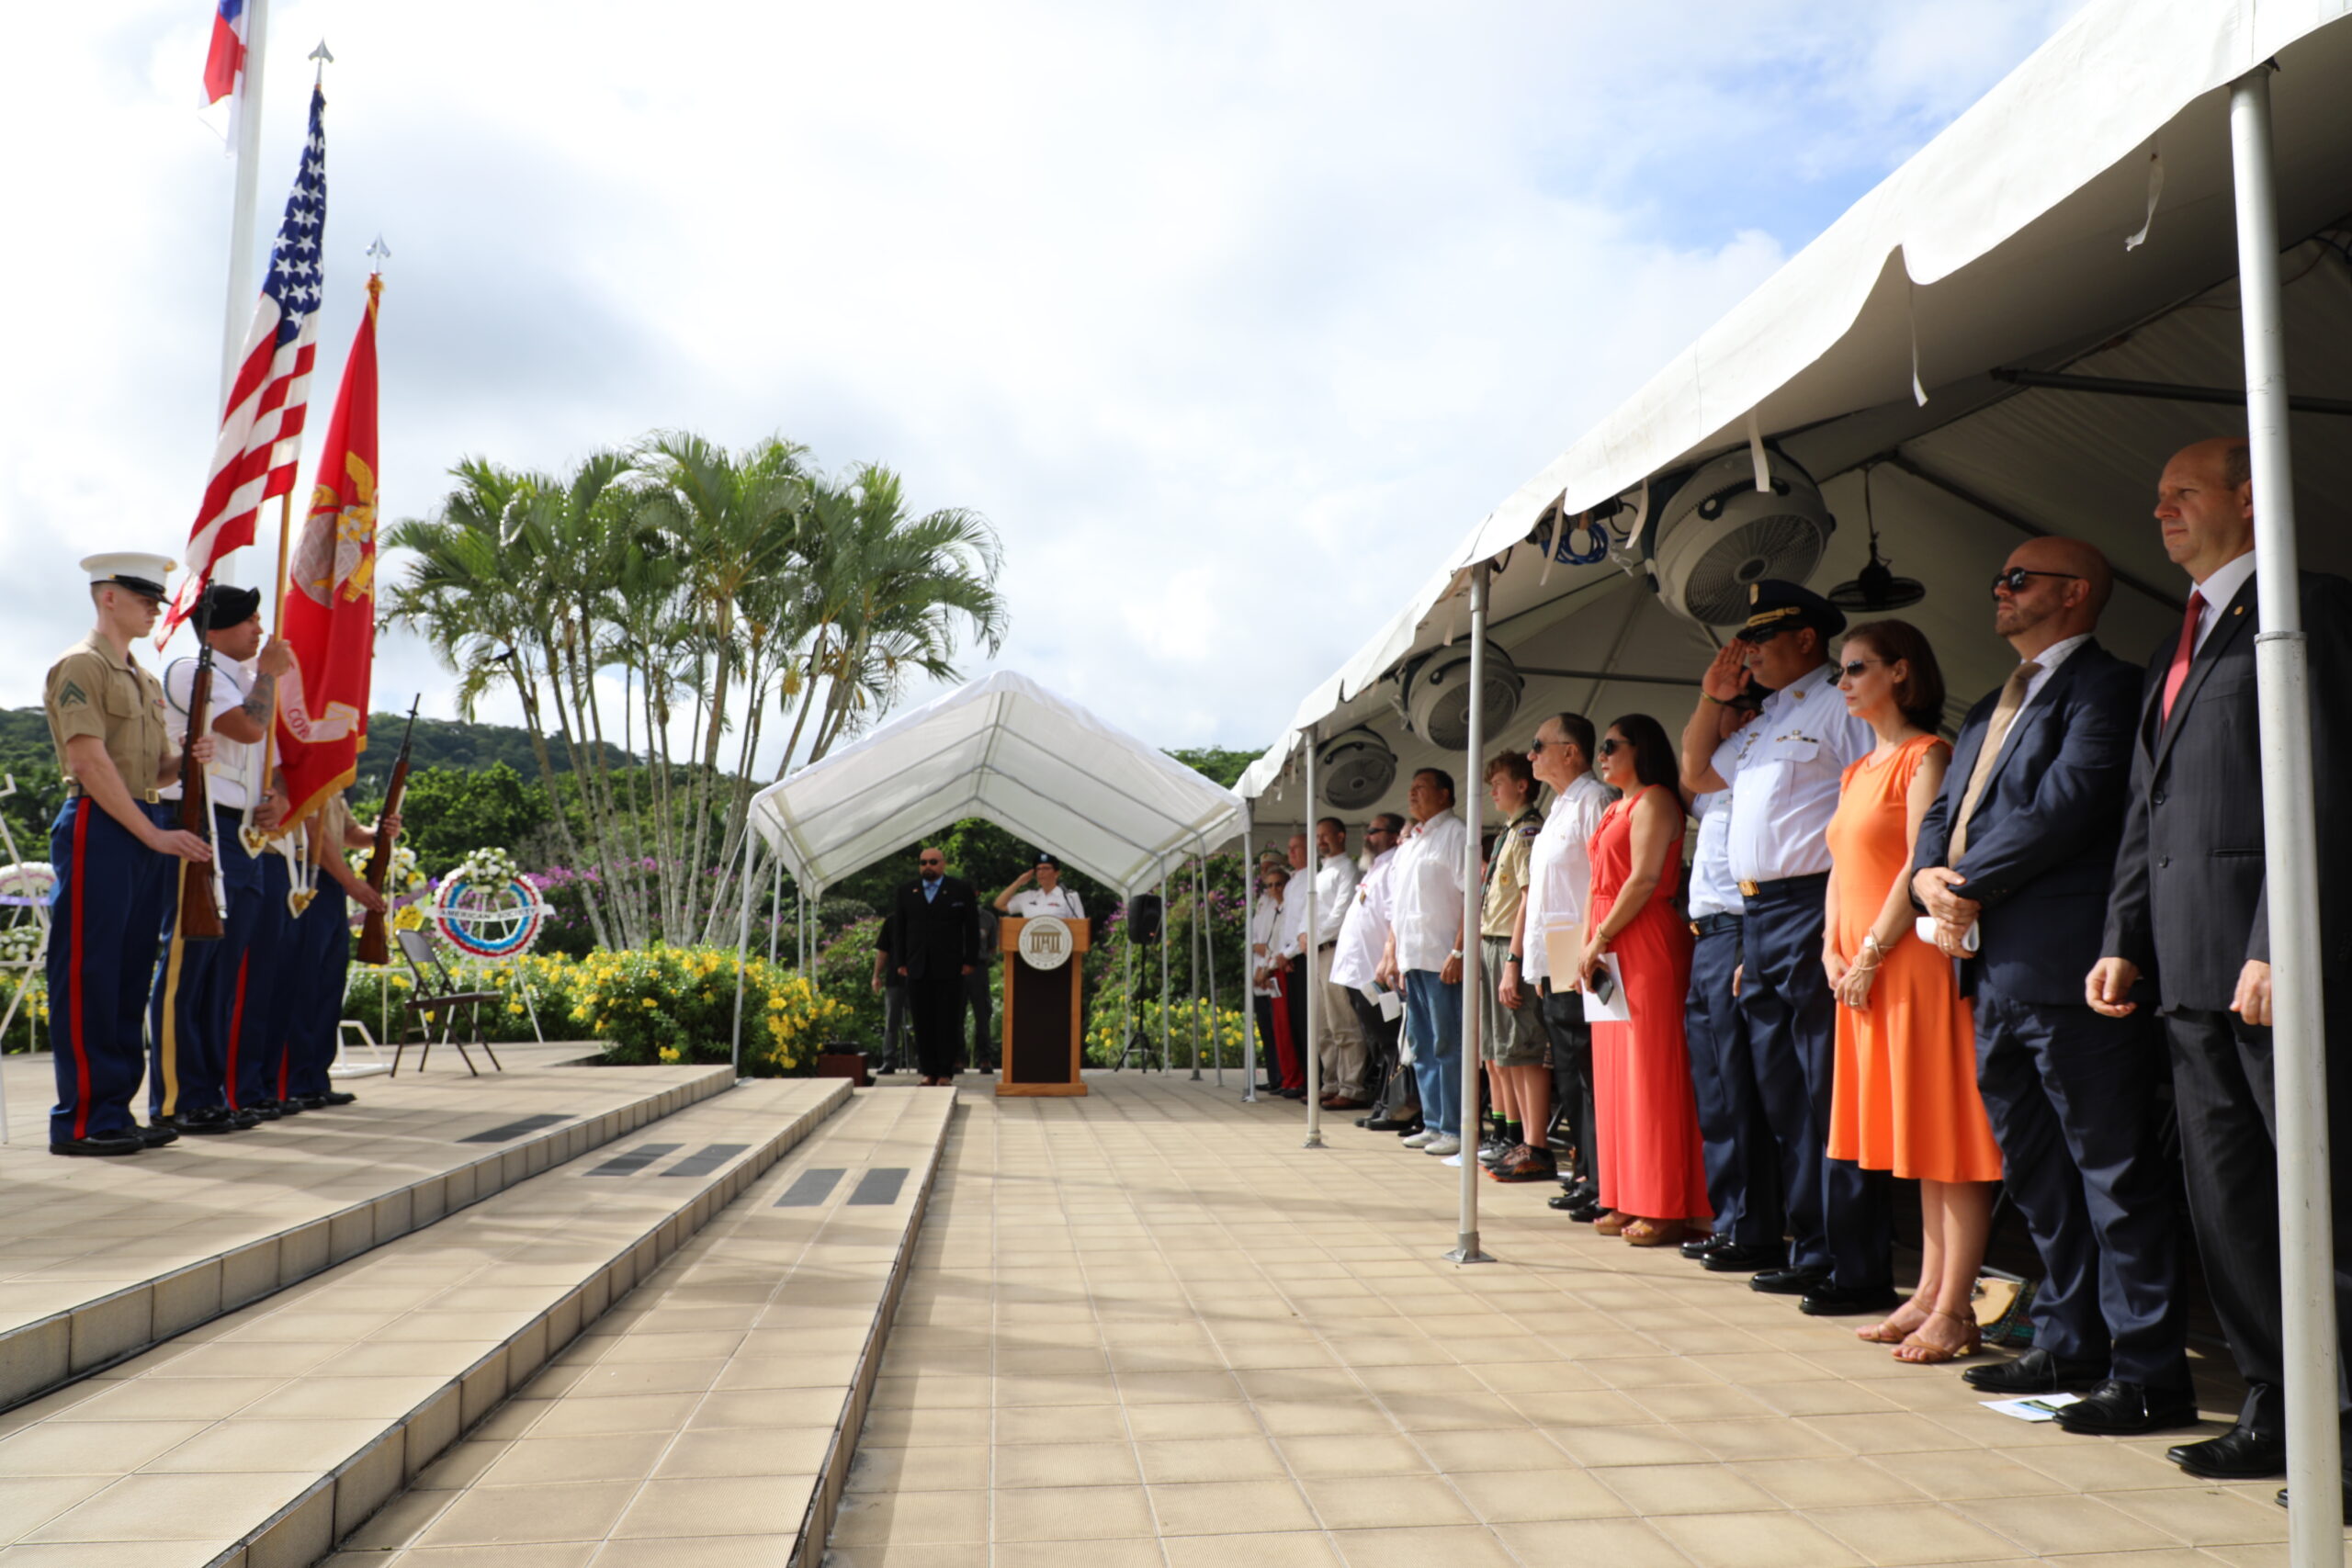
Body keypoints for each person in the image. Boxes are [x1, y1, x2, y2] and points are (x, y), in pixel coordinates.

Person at [2090, 438, 2352, 1488]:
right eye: (2154, 497)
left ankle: (2342, 1426)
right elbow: (2145, 807)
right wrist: (2120, 938)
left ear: (2250, 502)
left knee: (2315, 1202)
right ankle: (2276, 1409)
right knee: (2230, 1208)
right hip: (2187, 977)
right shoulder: (2176, 642)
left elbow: (2325, 785)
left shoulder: (2308, 608)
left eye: (2182, 494)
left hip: (2270, 968)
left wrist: (2278, 940)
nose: (2159, 512)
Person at [1913, 540, 2190, 1419]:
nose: (1998, 588)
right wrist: (1927, 874)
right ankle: (2069, 1340)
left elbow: (2067, 805)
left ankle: (2147, 1370)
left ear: (2074, 594)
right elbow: (1943, 812)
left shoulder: (2107, 686)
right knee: (2035, 1171)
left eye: (2017, 578)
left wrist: (1960, 885)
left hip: (2069, 964)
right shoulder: (1986, 707)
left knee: (2110, 1165)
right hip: (1991, 968)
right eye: (1997, 576)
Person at [1680, 580, 1888, 1315]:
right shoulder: (1767, 721)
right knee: (1783, 1095)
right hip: (1760, 913)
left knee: (1825, 1088)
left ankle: (1855, 1259)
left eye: (1763, 640)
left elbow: (1876, 804)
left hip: (1815, 904)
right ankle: (1813, 1245)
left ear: (1807, 639)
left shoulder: (1841, 707)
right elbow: (1697, 774)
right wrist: (1713, 697)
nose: (1750, 653)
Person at [1821, 620, 2003, 1363]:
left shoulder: (1929, 754)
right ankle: (1928, 1291)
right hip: (1864, 968)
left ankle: (1955, 1305)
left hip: (1912, 962)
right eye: (1841, 669)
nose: (1843, 682)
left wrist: (1867, 949)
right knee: (1917, 1138)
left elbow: (1918, 864)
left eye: (1856, 667)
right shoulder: (1859, 769)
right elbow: (1839, 866)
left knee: (1947, 1134)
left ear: (1900, 672)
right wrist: (1831, 948)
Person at [41, 553, 214, 1156]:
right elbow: (89, 761)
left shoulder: (142, 678)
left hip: (142, 824)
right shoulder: (79, 667)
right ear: (107, 595)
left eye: (156, 598)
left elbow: (151, 769)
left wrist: (186, 755)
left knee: (127, 975)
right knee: (91, 973)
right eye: (142, 595)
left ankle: (114, 1108)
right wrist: (151, 832)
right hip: (102, 824)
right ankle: (82, 1118)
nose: (153, 607)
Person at [147, 582, 292, 1134]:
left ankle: (211, 1091)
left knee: (225, 972)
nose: (260, 630)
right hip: (200, 821)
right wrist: (271, 674)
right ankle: (177, 1097)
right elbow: (248, 727)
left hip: (240, 830)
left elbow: (266, 758)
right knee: (190, 965)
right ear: (217, 629)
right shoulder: (192, 669)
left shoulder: (244, 678)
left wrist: (274, 797)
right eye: (250, 620)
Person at [1577, 716, 1710, 1245]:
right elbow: (1596, 882)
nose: (1602, 754)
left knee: (1651, 1074)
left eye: (1611, 746)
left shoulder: (1655, 800)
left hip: (1644, 938)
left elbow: (1647, 878)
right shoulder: (1613, 806)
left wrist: (1600, 936)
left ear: (1641, 748)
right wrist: (1587, 944)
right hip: (1608, 945)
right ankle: (1625, 1192)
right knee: (1615, 1077)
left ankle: (1666, 1201)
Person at [1683, 687, 1785, 1270]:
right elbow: (1689, 768)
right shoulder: (1718, 787)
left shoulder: (1754, 774)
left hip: (1738, 931)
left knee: (1738, 1087)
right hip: (1705, 937)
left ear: (1746, 719)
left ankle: (1754, 1226)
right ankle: (1731, 1218)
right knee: (1716, 1091)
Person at [1507, 711, 1611, 1216]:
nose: (1531, 755)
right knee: (1568, 1069)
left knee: (1588, 1070)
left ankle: (1600, 1177)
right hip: (1558, 948)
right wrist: (1535, 964)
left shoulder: (1593, 799)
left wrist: (1586, 951)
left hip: (1581, 945)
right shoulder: (1560, 806)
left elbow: (1602, 880)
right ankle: (1584, 1170)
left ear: (1570, 752)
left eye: (1538, 745)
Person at [284, 789, 397, 1109]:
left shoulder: (333, 780)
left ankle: (316, 1078)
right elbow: (309, 828)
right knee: (305, 984)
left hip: (331, 881)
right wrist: (352, 882)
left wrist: (378, 834)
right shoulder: (311, 768)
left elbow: (348, 833)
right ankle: (295, 1080)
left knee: (328, 984)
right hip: (307, 874)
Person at [1381, 770, 1469, 1157]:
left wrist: (1459, 950)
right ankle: (1434, 1122)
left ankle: (1454, 1126)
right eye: (1410, 787)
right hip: (1413, 956)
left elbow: (1471, 896)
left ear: (1445, 794)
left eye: (1421, 788)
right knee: (1421, 1044)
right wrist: (1392, 954)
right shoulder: (1412, 842)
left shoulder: (1456, 833)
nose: (1412, 794)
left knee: (1448, 1042)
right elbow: (1398, 907)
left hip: (1441, 956)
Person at [1475, 751, 1551, 1180]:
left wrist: (1513, 960)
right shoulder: (1508, 831)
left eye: (1499, 782)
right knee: (1499, 1051)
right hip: (1494, 943)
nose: (1493, 791)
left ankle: (1532, 1143)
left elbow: (1527, 897)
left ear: (1522, 785)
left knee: (1522, 1049)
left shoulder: (1527, 831)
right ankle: (1514, 1137)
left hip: (1509, 945)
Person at [878, 846, 980, 1085]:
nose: (928, 867)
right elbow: (900, 930)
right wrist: (901, 961)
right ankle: (928, 1071)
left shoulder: (959, 890)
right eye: (923, 862)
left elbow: (972, 929)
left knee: (947, 1019)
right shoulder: (906, 892)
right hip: (917, 966)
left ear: (943, 864)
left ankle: (945, 1072)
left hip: (951, 965)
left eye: (933, 862)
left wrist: (970, 960)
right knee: (922, 1021)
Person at [1331, 814, 1408, 1126]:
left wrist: (1388, 960)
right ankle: (1383, 1103)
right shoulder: (1374, 867)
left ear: (1392, 836)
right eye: (1367, 829)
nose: (1367, 835)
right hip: (1357, 972)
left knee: (1390, 1042)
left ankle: (1397, 1107)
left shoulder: (1393, 866)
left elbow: (1393, 918)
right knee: (1377, 1044)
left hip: (1376, 972)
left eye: (1374, 831)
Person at [1305, 818, 1366, 1111]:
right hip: (1316, 950)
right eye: (1317, 837)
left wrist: (1313, 935)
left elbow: (1341, 913)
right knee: (1322, 1024)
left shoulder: (1347, 869)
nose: (1320, 841)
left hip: (1334, 949)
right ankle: (1330, 1082)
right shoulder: (1321, 873)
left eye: (1325, 836)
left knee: (1342, 1021)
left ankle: (1352, 1086)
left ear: (1341, 836)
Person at [870, 912, 909, 1074]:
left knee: (923, 1022)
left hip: (921, 979)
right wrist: (876, 976)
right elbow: (882, 951)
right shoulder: (892, 921)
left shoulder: (925, 918)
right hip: (895, 979)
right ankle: (889, 1060)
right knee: (891, 1022)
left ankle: (925, 1061)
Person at [996, 852, 1084, 919]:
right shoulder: (1028, 896)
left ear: (1057, 873)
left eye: (1046, 868)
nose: (1041, 872)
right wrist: (1018, 882)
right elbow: (999, 904)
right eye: (1038, 869)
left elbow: (1080, 927)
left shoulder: (1070, 897)